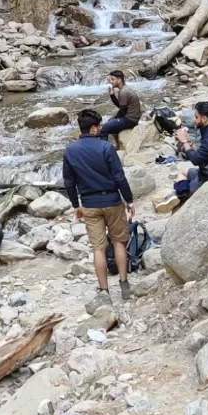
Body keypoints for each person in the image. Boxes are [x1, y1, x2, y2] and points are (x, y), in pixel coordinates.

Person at [62, 108, 136, 308]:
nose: (101, 129)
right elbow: (119, 177)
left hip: (89, 204)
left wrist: (75, 205)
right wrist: (129, 200)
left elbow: (69, 182)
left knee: (98, 248)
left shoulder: (70, 150)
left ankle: (104, 291)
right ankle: (124, 284)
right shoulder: (105, 148)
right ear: (94, 128)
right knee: (119, 242)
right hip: (112, 201)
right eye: (100, 126)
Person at [100, 70, 142, 142]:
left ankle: (103, 150)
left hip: (130, 120)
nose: (111, 81)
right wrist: (112, 95)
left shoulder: (123, 92)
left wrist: (114, 119)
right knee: (111, 122)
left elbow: (122, 111)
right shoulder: (125, 88)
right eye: (110, 79)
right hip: (132, 118)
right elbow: (121, 106)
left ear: (119, 80)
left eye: (113, 79)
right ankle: (118, 145)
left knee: (104, 128)